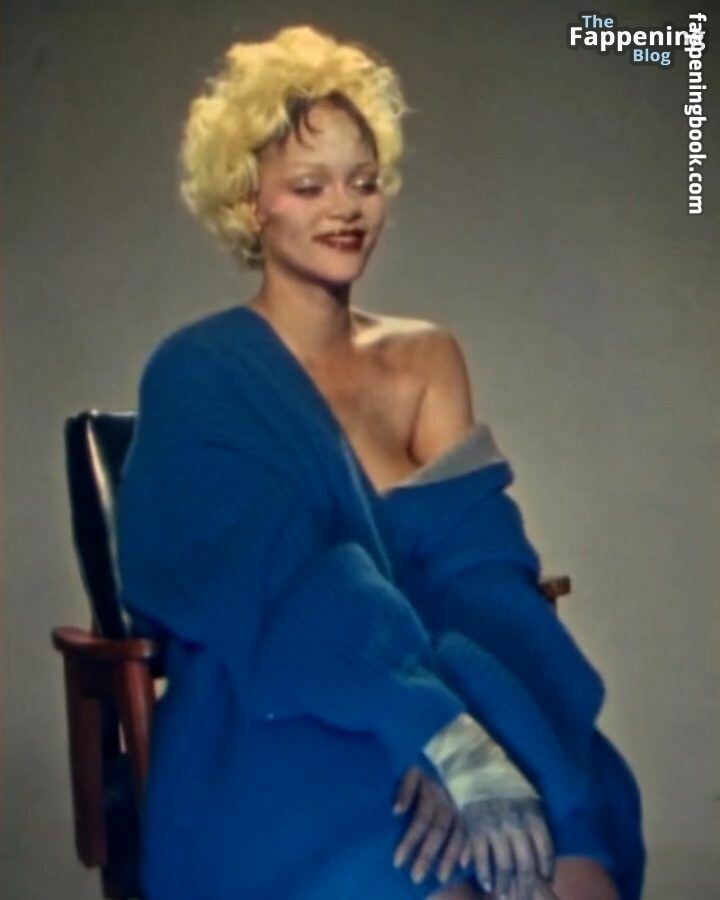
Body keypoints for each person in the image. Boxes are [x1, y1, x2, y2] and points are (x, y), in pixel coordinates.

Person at [117, 24, 644, 900]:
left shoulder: (427, 358)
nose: (345, 208)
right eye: (309, 185)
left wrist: (484, 730)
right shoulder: (197, 372)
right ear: (250, 204)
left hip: (466, 689)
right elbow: (279, 587)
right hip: (278, 716)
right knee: (437, 886)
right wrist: (434, 734)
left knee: (578, 873)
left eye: (363, 182)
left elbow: (485, 578)